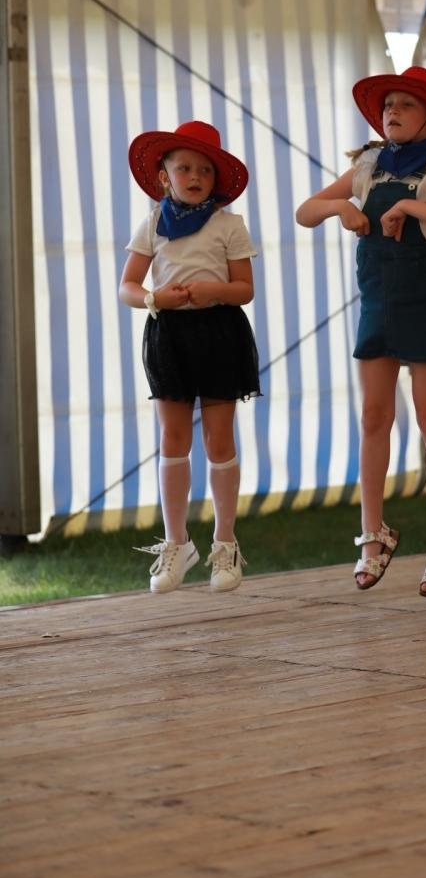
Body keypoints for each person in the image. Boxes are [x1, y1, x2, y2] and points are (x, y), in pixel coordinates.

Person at [296, 67, 426, 596]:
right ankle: (372, 534)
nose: (392, 111)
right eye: (388, 104)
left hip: (421, 305)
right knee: (374, 417)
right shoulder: (367, 167)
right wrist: (341, 207)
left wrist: (406, 206)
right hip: (376, 304)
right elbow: (305, 211)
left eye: (406, 104)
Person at [120, 120, 260, 593]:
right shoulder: (152, 224)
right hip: (169, 336)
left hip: (219, 332)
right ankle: (177, 543)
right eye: (185, 168)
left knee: (219, 440)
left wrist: (212, 290)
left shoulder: (229, 224)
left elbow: (245, 289)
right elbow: (127, 286)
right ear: (164, 176)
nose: (195, 176)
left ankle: (226, 543)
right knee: (172, 437)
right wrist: (155, 298)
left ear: (216, 179)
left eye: (205, 170)